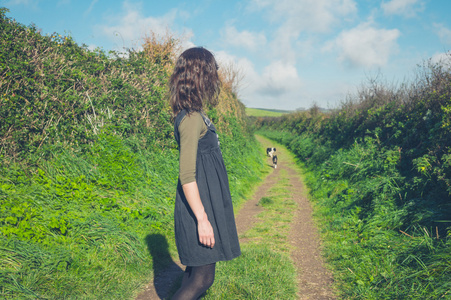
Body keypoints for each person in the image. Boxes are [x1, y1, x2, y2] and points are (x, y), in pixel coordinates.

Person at [169, 47, 241, 299]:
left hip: (204, 204)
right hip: (196, 209)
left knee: (191, 274)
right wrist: (202, 219)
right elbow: (186, 174)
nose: (216, 78)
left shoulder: (196, 114)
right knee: (202, 279)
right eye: (212, 72)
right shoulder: (190, 119)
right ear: (199, 76)